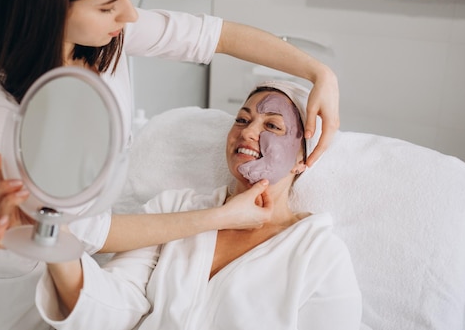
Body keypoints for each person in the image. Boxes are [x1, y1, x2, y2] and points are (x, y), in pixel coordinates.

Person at [0, 0, 341, 329]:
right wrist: (221, 218)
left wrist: (319, 74)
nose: (130, 16)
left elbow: (215, 35)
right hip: (12, 281)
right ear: (48, 3)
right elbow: (85, 231)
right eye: (108, 5)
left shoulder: (106, 37)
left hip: (83, 268)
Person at [19, 80, 361, 329]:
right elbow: (115, 304)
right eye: (242, 119)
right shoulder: (174, 207)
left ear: (303, 159)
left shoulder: (319, 255)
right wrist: (53, 234)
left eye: (272, 125)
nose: (247, 131)